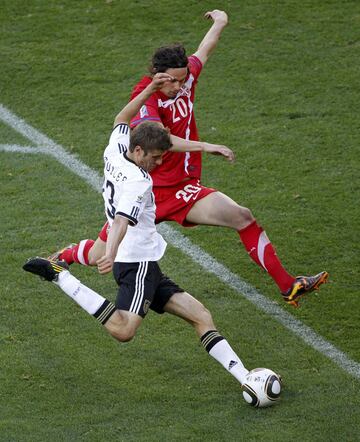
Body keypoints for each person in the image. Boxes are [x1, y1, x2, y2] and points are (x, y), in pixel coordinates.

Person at [50, 9, 328, 307]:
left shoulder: (185, 78)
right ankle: (63, 257)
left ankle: (289, 286)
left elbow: (203, 51)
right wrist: (206, 146)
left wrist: (221, 22)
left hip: (183, 188)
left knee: (242, 216)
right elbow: (162, 141)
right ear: (158, 76)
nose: (180, 86)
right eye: (173, 82)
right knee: (99, 255)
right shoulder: (147, 96)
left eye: (183, 80)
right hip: (147, 195)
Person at [23, 74, 251, 389]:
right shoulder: (139, 181)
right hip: (136, 263)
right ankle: (59, 275)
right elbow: (120, 221)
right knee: (123, 329)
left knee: (201, 315)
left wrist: (149, 90)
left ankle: (247, 378)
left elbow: (122, 117)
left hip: (144, 263)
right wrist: (112, 252)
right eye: (156, 158)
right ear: (141, 151)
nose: (159, 164)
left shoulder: (117, 146)